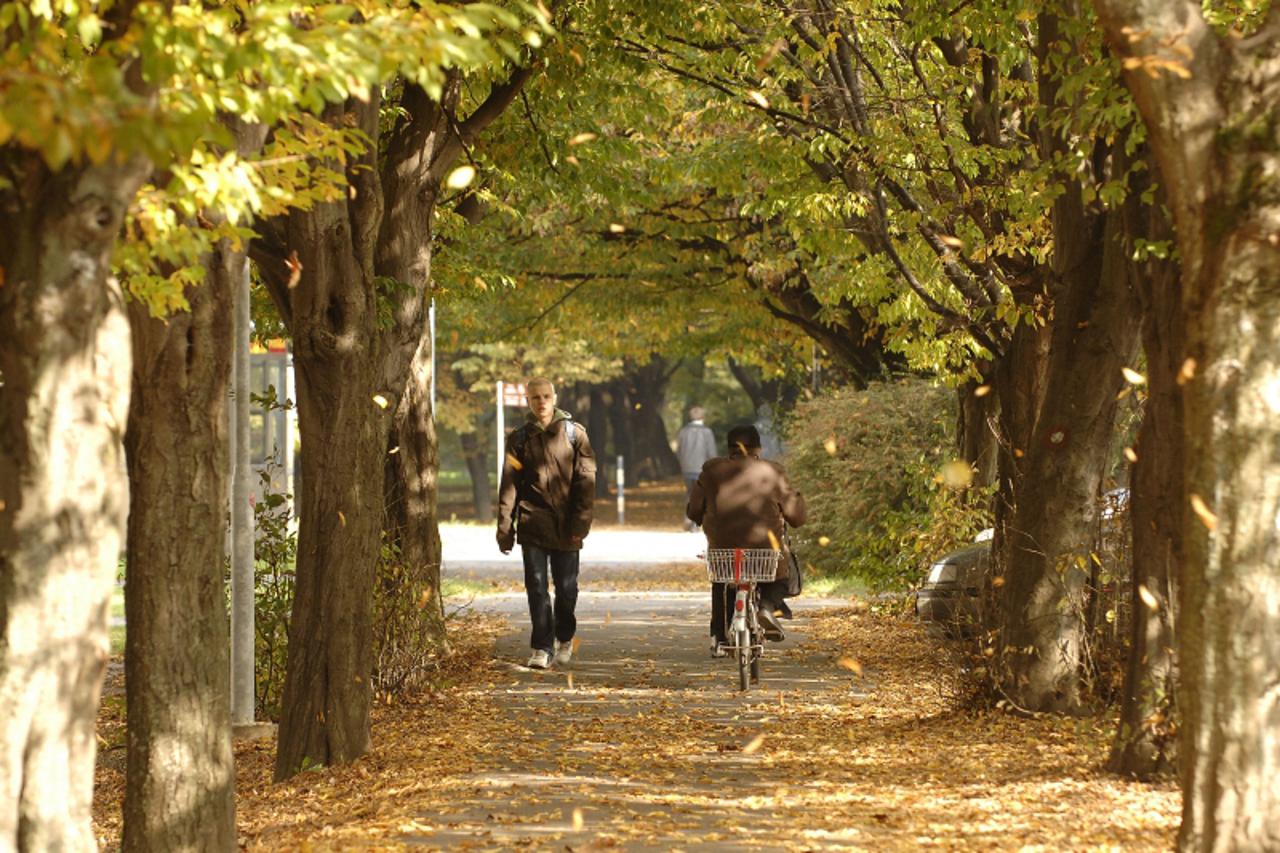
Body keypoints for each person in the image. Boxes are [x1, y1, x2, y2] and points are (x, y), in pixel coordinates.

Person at [496, 378, 597, 669]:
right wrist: (505, 527)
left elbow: (586, 481)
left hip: (568, 525)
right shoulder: (518, 438)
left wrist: (581, 522)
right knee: (537, 587)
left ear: (554, 397)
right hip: (532, 523)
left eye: (545, 396)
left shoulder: (575, 434)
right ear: (528, 401)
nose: (541, 402)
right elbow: (509, 484)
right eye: (535, 397)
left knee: (567, 589)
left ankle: (564, 636)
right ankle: (542, 646)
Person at [686, 424, 806, 658]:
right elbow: (796, 516)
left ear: (729, 448)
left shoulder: (712, 471)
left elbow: (694, 511)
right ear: (758, 448)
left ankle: (720, 638)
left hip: (724, 548)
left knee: (722, 582)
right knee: (781, 575)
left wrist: (701, 513)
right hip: (765, 548)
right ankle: (766, 607)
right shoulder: (773, 472)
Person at [675, 405, 717, 530]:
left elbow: (679, 451)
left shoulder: (683, 431)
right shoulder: (707, 432)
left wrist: (683, 464)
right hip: (701, 469)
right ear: (703, 417)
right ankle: (696, 522)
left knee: (690, 493)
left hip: (687, 469)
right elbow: (711, 452)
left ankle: (688, 518)